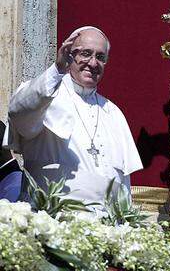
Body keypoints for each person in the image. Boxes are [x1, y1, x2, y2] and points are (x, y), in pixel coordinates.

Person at [3, 26, 143, 211]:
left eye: (100, 57)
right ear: (69, 54)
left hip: (105, 232)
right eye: (85, 53)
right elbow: (19, 111)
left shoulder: (113, 113)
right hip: (51, 225)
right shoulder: (44, 96)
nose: (93, 63)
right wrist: (57, 69)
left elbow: (122, 183)